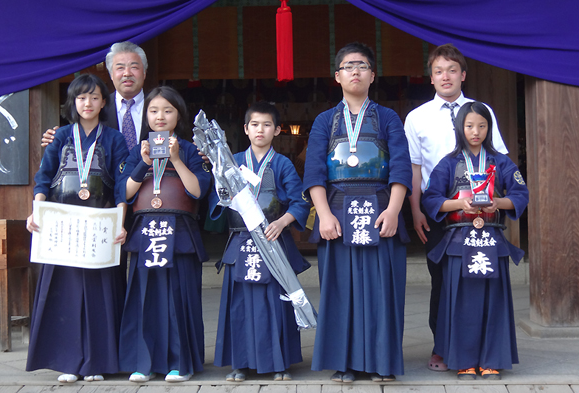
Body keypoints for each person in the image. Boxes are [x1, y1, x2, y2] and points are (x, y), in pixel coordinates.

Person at [303, 42, 412, 383]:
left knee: (382, 289)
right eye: (348, 66)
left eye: (362, 65)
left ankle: (382, 362)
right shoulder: (324, 121)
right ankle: (344, 362)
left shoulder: (389, 117)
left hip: (379, 208)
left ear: (372, 75)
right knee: (341, 290)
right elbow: (314, 172)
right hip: (337, 209)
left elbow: (401, 168)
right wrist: (323, 215)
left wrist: (394, 210)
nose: (355, 71)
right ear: (337, 77)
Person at [403, 43, 508, 371]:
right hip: (441, 211)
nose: (445, 76)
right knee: (443, 279)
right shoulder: (417, 118)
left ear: (463, 75)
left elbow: (499, 159)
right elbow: (415, 169)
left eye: (452, 70)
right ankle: (442, 346)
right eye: (438, 71)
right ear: (431, 78)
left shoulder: (482, 111)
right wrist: (417, 211)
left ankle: (483, 349)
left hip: (481, 212)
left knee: (480, 276)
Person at [25, 74, 129, 383]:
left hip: (99, 229)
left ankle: (97, 362)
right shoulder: (61, 137)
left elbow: (122, 186)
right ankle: (69, 362)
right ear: (73, 102)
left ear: (103, 103)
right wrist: (37, 211)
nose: (88, 103)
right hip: (65, 227)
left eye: (95, 97)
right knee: (67, 296)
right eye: (82, 98)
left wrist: (120, 222)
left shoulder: (114, 139)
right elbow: (43, 177)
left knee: (100, 296)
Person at [421, 101, 528, 380]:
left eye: (482, 126)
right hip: (459, 239)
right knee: (461, 303)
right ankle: (464, 360)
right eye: (469, 126)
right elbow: (430, 198)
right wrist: (458, 203)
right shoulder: (448, 163)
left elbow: (520, 194)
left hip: (491, 238)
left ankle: (492, 359)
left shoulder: (501, 162)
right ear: (460, 128)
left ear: (488, 128)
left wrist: (498, 203)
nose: (476, 131)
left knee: (493, 301)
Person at [209, 101, 311, 382]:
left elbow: (299, 201)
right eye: (255, 124)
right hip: (241, 242)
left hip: (273, 241)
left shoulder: (282, 164)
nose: (260, 130)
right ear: (245, 129)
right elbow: (218, 200)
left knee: (274, 305)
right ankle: (240, 363)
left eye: (267, 125)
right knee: (240, 305)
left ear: (277, 130)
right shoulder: (232, 162)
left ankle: (279, 363)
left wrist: (282, 222)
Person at [117, 86, 211, 382]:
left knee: (177, 298)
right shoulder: (137, 150)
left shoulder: (191, 149)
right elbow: (124, 191)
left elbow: (198, 190)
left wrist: (177, 159)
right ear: (146, 115)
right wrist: (145, 163)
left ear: (178, 115)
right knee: (145, 299)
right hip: (146, 232)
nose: (160, 116)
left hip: (180, 232)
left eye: (168, 110)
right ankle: (142, 363)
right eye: (154, 111)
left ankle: (179, 363)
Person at [42, 41, 148, 149]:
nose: (127, 73)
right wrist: (58, 137)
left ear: (144, 73)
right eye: (120, 68)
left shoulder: (158, 105)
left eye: (134, 67)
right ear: (111, 74)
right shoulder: (97, 105)